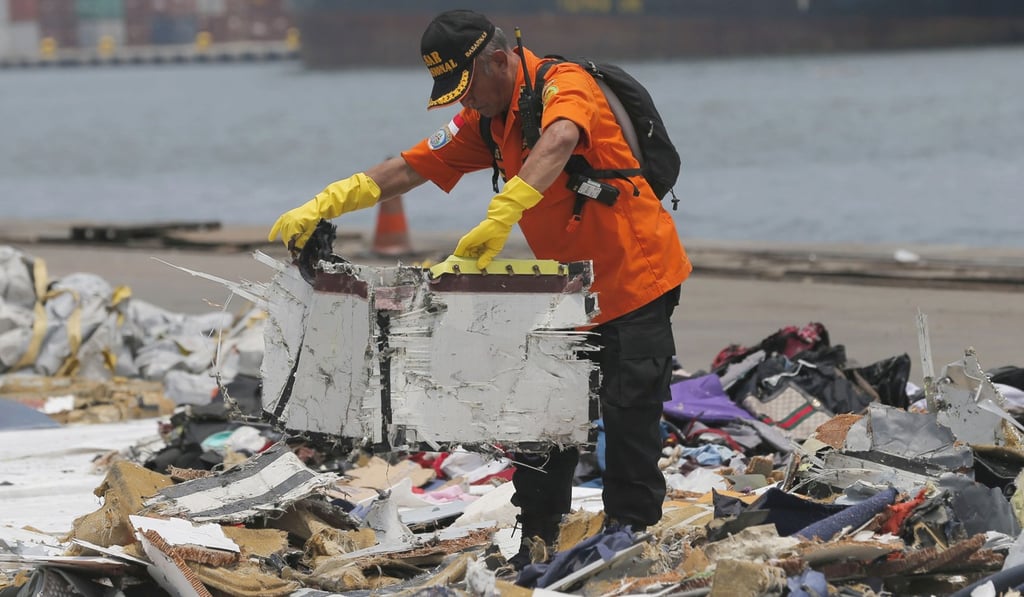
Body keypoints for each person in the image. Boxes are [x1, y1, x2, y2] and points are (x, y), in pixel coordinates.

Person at [268, 9, 692, 569]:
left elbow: (563, 137)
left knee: (629, 410)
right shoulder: (487, 119)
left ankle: (630, 534)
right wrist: (329, 199)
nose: (466, 103)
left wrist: (506, 209)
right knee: (541, 414)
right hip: (565, 291)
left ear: (499, 60)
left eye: (468, 88)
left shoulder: (564, 84)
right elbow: (412, 165)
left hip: (636, 275)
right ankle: (538, 536)